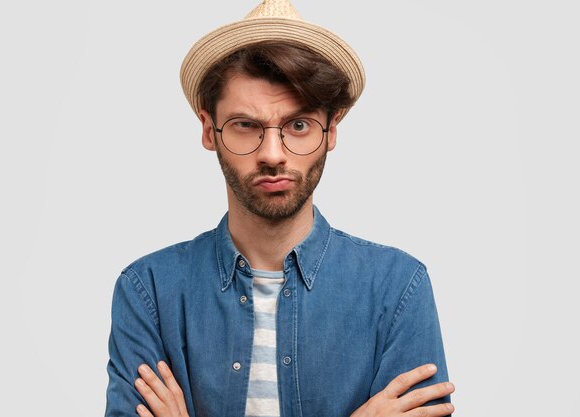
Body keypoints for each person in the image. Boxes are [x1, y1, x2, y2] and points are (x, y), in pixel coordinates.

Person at [104, 1, 454, 416]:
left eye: (299, 125)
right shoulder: (149, 291)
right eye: (246, 125)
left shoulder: (398, 287)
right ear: (208, 130)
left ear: (332, 130)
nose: (273, 154)